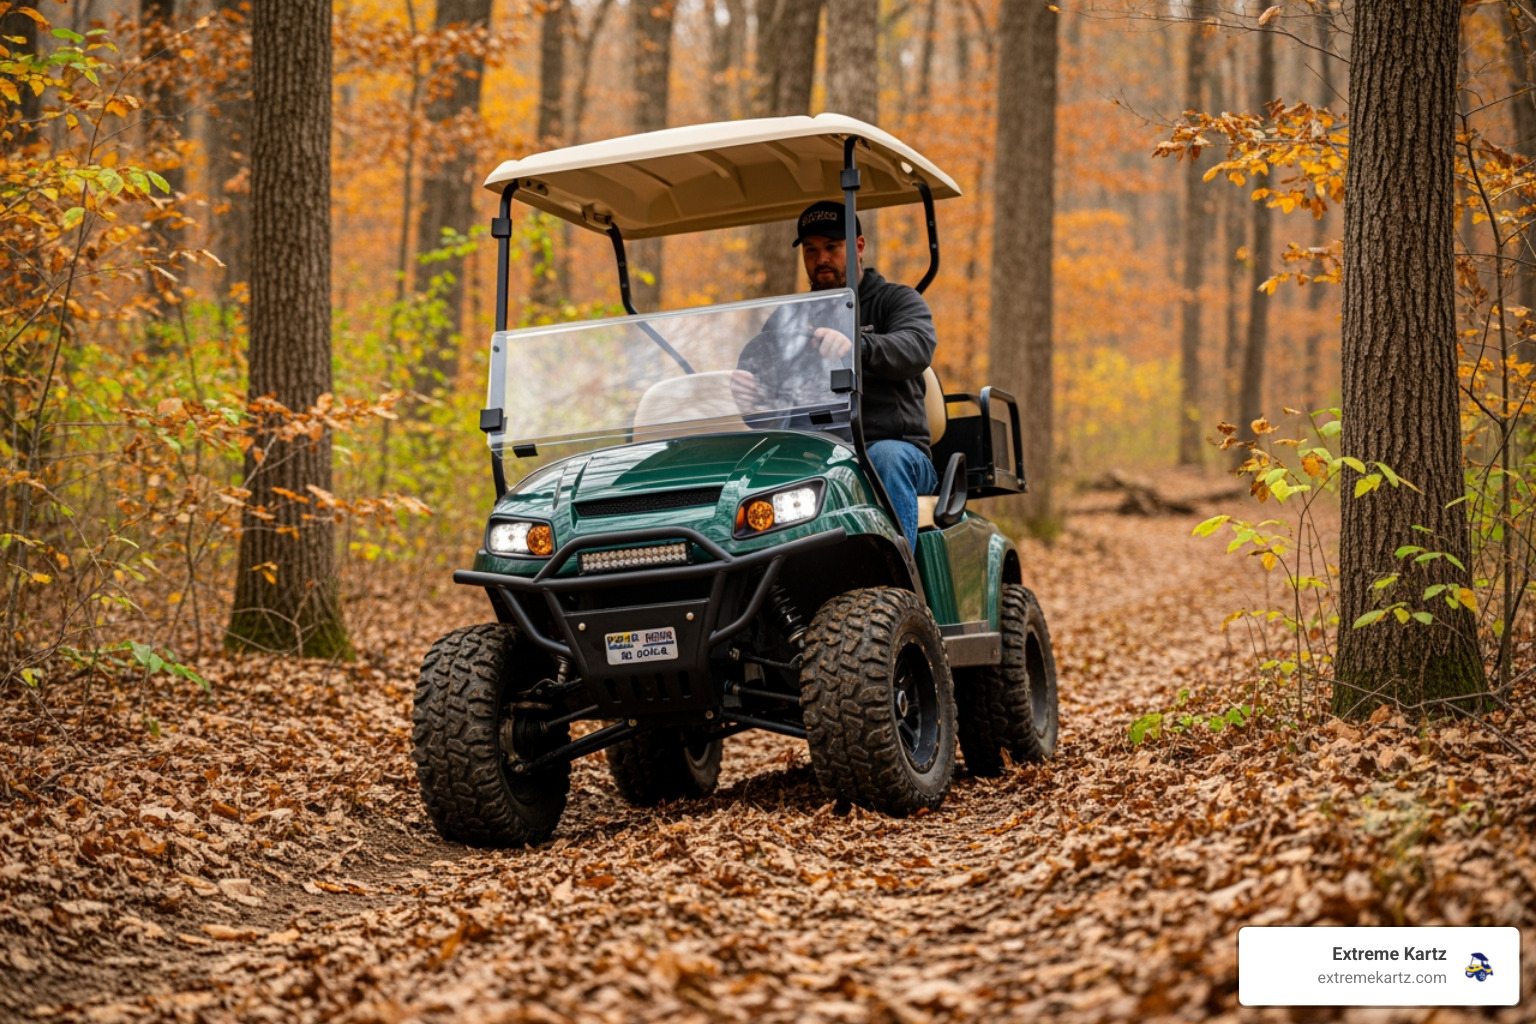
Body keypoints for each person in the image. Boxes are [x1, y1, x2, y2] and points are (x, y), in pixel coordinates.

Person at [747, 199, 939, 552]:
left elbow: (915, 347)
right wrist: (749, 396)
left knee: (886, 459)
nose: (821, 259)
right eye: (811, 250)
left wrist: (858, 346)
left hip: (892, 450)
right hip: (813, 452)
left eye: (832, 248)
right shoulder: (787, 319)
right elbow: (766, 393)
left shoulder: (895, 300)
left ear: (859, 246)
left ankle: (896, 591)